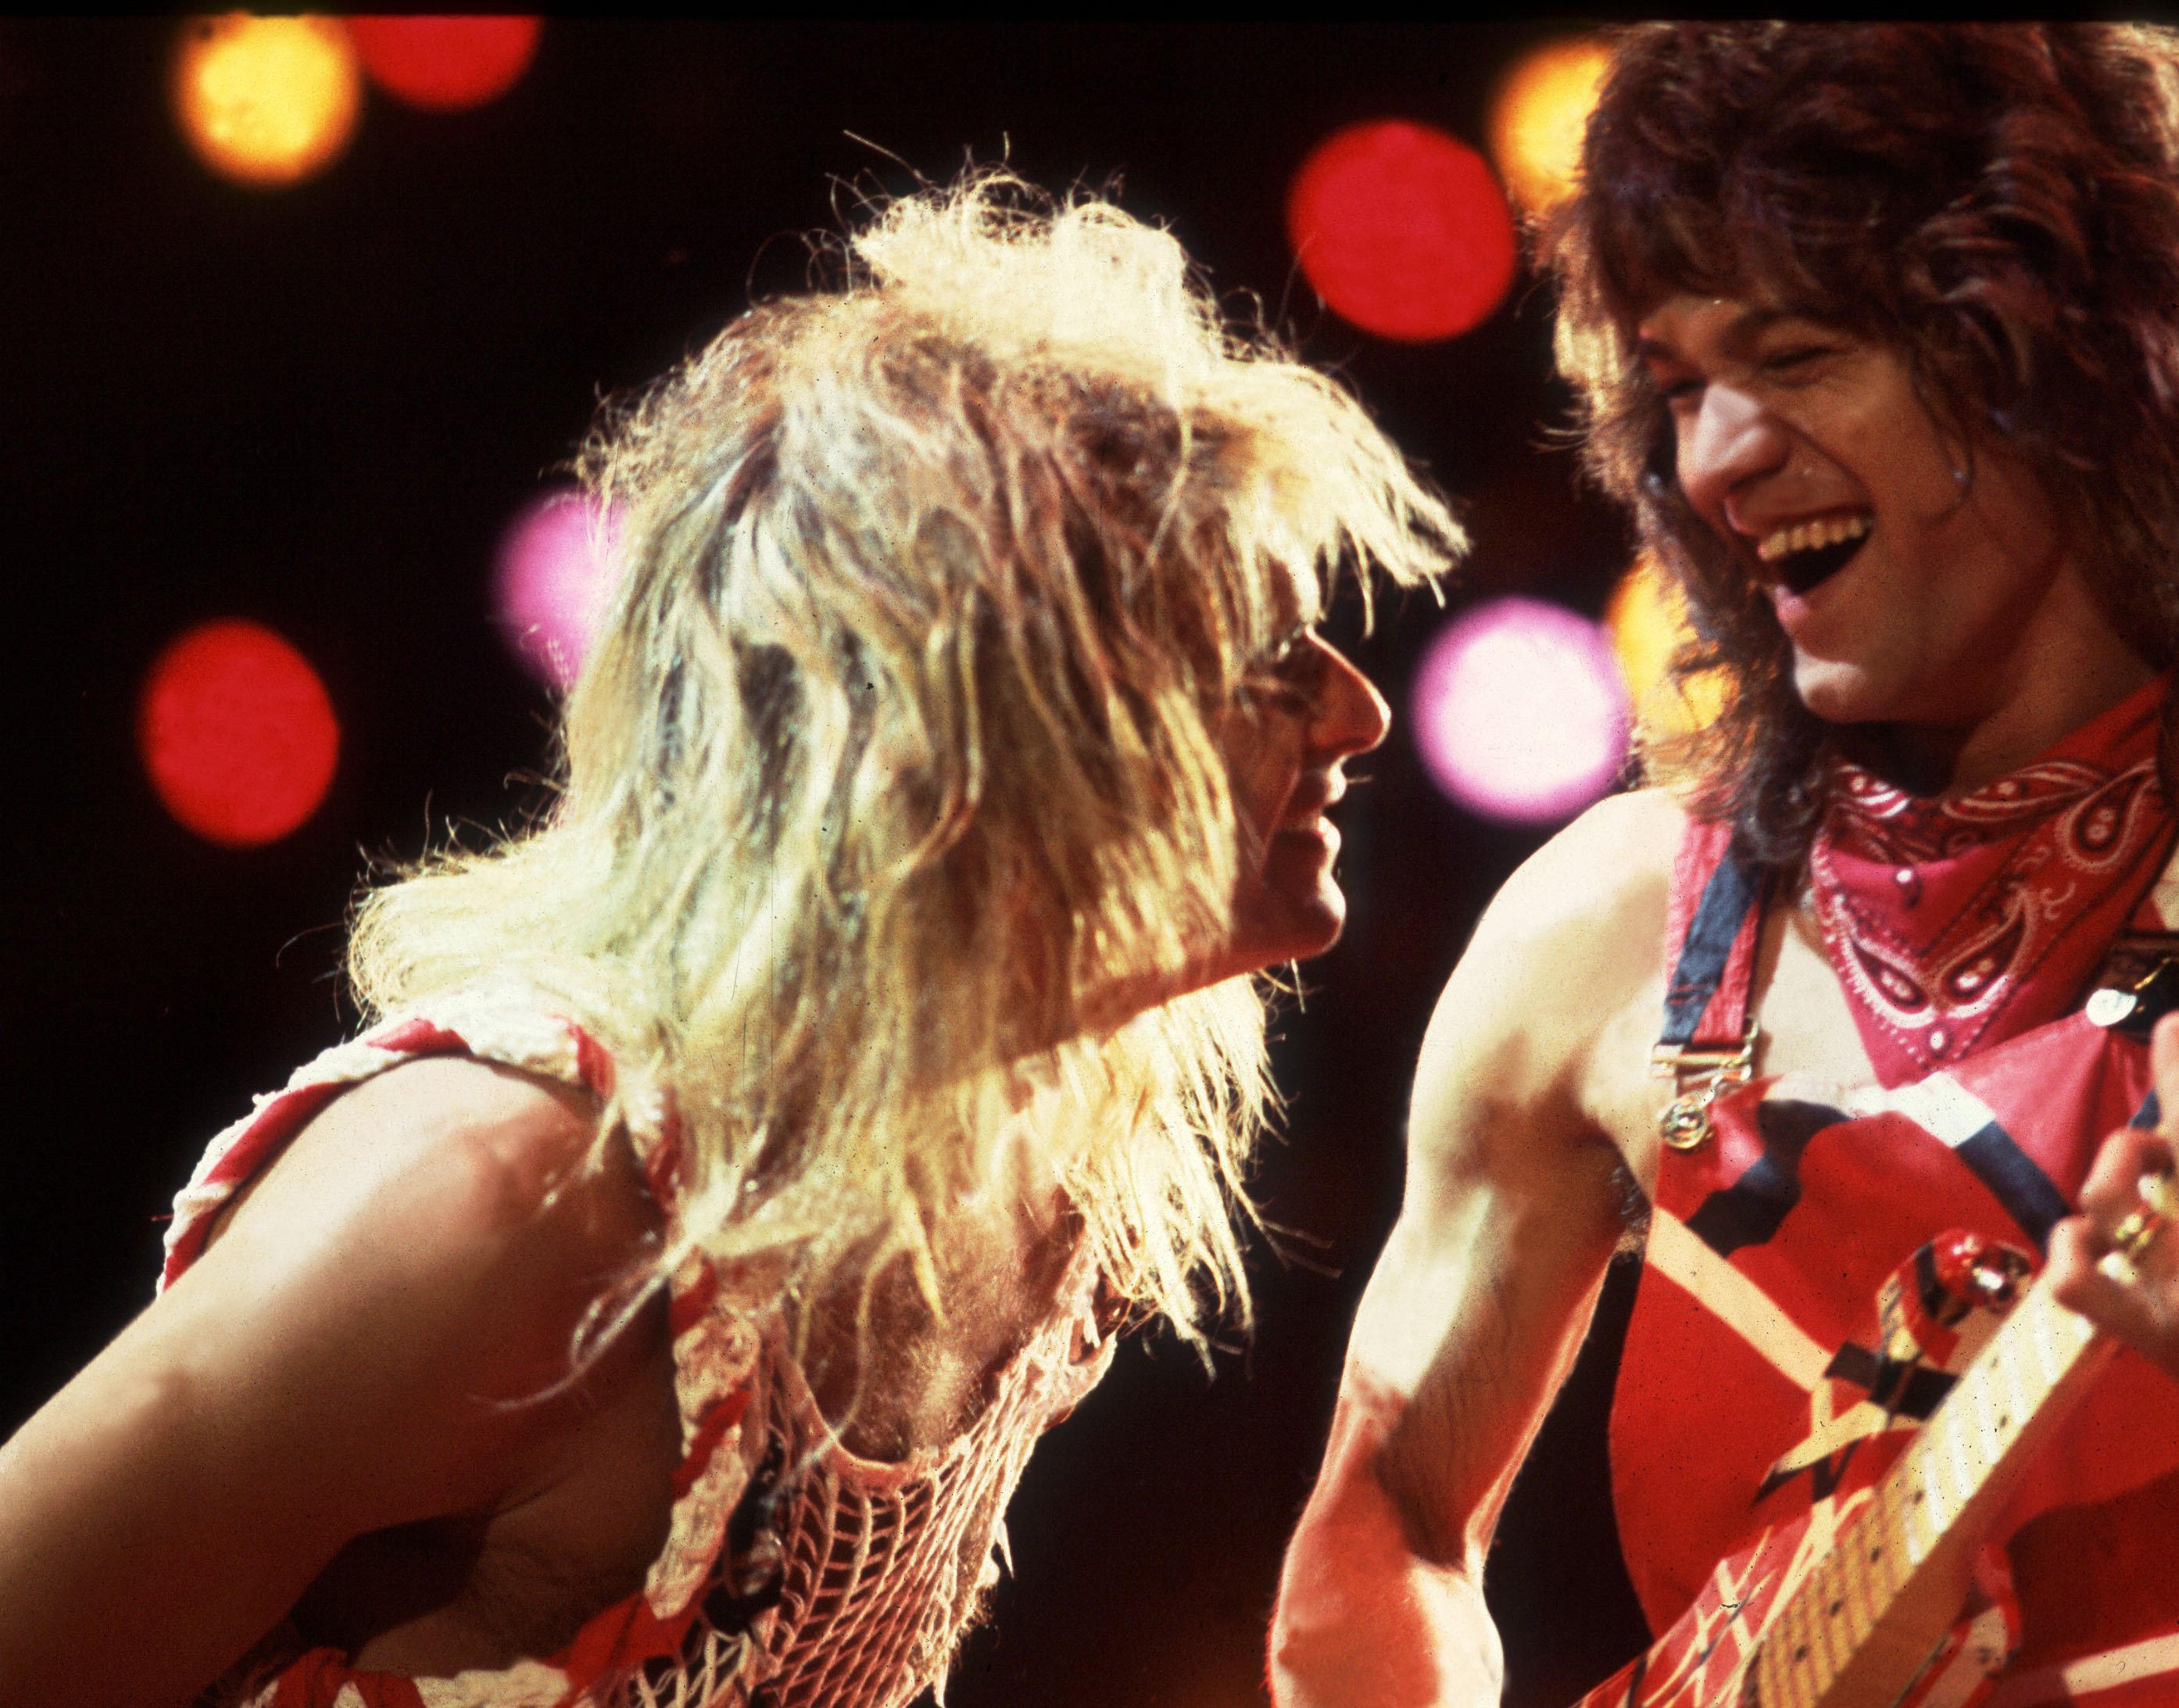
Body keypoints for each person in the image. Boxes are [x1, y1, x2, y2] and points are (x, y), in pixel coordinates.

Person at [0, 178, 1457, 1708]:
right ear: (990, 736)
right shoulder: (504, 1199)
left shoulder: (1042, 1168)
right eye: (1261, 654)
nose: (1357, 710)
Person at [1272, 24, 2179, 1708]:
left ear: (2066, 365)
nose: (1713, 459)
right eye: (1675, 388)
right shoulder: (1600, 928)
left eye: (1790, 358)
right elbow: (1387, 1535)